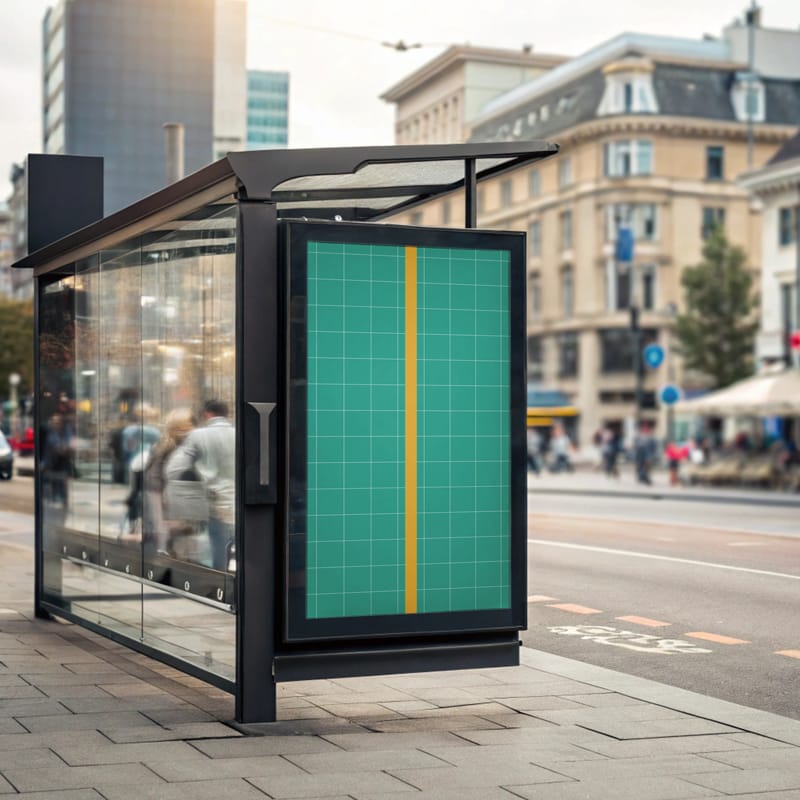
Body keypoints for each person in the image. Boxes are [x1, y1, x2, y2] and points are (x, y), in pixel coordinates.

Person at [166, 400, 235, 571]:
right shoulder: (238, 433)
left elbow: (174, 469)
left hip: (214, 501)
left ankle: (219, 583)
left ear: (207, 414)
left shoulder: (198, 435)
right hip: (237, 500)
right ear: (226, 413)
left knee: (218, 544)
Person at [142, 408, 196, 555]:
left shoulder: (163, 446)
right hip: (169, 505)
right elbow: (154, 482)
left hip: (170, 504)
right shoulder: (173, 448)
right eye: (189, 424)